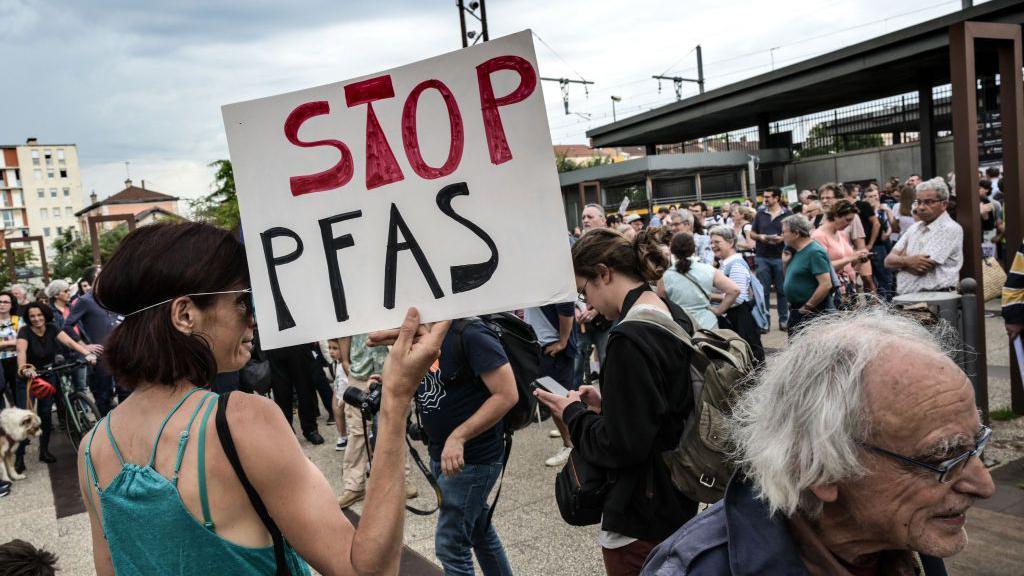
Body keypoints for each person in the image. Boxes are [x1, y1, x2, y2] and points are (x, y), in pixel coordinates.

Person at [77, 221, 447, 576]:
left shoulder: (91, 449)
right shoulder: (240, 421)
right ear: (185, 314)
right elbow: (369, 571)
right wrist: (396, 400)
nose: (253, 320)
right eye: (244, 302)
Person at [642, 308, 995, 576]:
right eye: (942, 456)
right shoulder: (697, 569)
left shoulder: (911, 532)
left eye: (976, 444)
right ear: (819, 469)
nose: (984, 485)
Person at [535, 227, 697, 576]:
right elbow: (660, 403)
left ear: (604, 272)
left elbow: (621, 446)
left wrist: (573, 413)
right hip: (676, 494)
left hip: (640, 512)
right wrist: (608, 401)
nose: (588, 304)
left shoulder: (629, 337)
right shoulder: (669, 312)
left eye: (585, 290)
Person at [415, 315, 518, 575]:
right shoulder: (424, 336)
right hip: (442, 455)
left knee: (451, 544)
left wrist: (459, 436)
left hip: (472, 460)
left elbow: (507, 394)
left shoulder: (470, 333)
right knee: (480, 532)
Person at [337, 333, 417, 508]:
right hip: (359, 371)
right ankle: (354, 486)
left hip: (393, 370)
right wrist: (345, 361)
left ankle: (400, 481)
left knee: (396, 428)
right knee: (357, 431)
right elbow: (343, 331)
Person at [15, 302, 99, 470]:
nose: (36, 318)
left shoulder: (52, 328)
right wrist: (24, 370)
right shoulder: (24, 331)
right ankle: (19, 456)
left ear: (45, 315)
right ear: (28, 318)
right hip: (30, 376)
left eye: (39, 315)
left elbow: (70, 343)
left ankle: (44, 450)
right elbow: (21, 352)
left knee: (45, 413)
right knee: (25, 416)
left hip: (49, 374)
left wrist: (87, 353)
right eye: (32, 316)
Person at [885, 178, 964, 295]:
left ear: (944, 204)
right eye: (919, 202)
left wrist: (900, 261)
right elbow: (887, 262)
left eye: (928, 202)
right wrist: (908, 261)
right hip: (908, 300)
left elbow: (921, 267)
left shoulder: (949, 228)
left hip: (935, 300)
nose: (921, 207)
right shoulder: (914, 228)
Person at [523, 303, 577, 467]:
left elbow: (566, 308)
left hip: (552, 349)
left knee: (558, 401)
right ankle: (570, 440)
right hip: (542, 346)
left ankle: (570, 446)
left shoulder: (551, 279)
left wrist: (563, 341)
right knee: (557, 400)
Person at [66, 265, 122, 415]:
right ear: (93, 280)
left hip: (120, 352)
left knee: (126, 391)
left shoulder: (112, 297)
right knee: (104, 396)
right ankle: (105, 430)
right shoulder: (85, 300)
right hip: (100, 357)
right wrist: (85, 346)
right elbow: (67, 326)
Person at [659, 232, 740, 331]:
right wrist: (719, 311)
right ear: (693, 248)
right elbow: (734, 290)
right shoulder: (708, 270)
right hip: (708, 326)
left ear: (672, 250)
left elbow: (661, 303)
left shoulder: (665, 276)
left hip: (681, 328)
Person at [709, 226, 765, 362]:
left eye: (717, 242)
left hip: (740, 318)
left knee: (748, 357)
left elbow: (738, 296)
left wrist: (710, 298)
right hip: (735, 316)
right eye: (711, 242)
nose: (713, 246)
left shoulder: (736, 265)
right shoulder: (726, 263)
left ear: (731, 243)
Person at [780, 215, 833, 333]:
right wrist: (785, 263)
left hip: (810, 312)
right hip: (796, 309)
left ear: (796, 233)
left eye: (784, 232)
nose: (781, 235)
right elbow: (790, 277)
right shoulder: (794, 251)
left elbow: (826, 284)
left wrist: (807, 307)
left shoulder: (814, 252)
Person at [750, 188, 792, 331]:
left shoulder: (787, 214)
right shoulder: (760, 214)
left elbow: (794, 233)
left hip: (781, 257)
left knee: (782, 290)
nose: (765, 199)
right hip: (762, 257)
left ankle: (784, 321)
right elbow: (752, 233)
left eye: (768, 197)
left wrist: (783, 238)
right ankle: (764, 322)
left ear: (777, 198)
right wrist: (760, 237)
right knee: (763, 291)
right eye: (764, 196)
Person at [265, 343, 324, 444]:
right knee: (281, 393)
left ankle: (310, 429)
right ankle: (286, 431)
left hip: (298, 343)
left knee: (306, 389)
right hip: (274, 347)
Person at [812, 200, 868, 300]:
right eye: (848, 220)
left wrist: (858, 258)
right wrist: (851, 258)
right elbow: (822, 267)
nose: (849, 224)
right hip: (833, 289)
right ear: (836, 216)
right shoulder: (818, 236)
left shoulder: (840, 233)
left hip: (847, 286)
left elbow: (847, 261)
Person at [46, 279, 89, 394]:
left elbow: (81, 328)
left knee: (81, 387)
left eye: (69, 290)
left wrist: (86, 344)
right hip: (61, 354)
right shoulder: (49, 312)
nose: (69, 293)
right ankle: (69, 411)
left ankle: (82, 411)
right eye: (65, 291)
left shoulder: (73, 307)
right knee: (65, 391)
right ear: (56, 294)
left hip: (79, 350)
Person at [0, 292, 21, 409]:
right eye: (0, 302)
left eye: (5, 302)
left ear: (12, 305)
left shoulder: (18, 320)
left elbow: (22, 342)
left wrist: (2, 344)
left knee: (18, 393)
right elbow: (16, 342)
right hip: (0, 362)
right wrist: (12, 342)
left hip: (16, 360)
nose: (2, 304)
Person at [326, 338, 348, 451]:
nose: (331, 351)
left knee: (347, 415)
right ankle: (343, 436)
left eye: (335, 348)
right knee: (336, 410)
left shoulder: (345, 364)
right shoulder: (336, 363)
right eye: (329, 348)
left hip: (345, 394)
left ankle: (346, 436)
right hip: (339, 389)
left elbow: (347, 381)